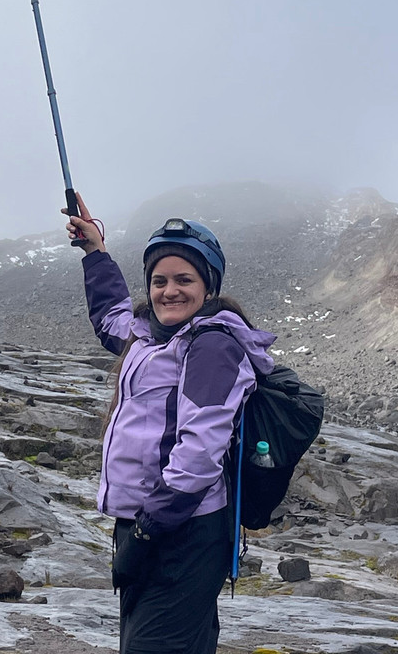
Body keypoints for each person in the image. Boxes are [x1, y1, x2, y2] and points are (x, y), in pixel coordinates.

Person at [63, 194, 276, 654]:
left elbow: (199, 453)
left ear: (208, 286)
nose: (169, 291)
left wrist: (147, 531)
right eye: (159, 280)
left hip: (182, 532)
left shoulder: (213, 347)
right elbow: (109, 319)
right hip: (145, 522)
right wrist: (95, 252)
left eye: (184, 279)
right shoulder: (148, 334)